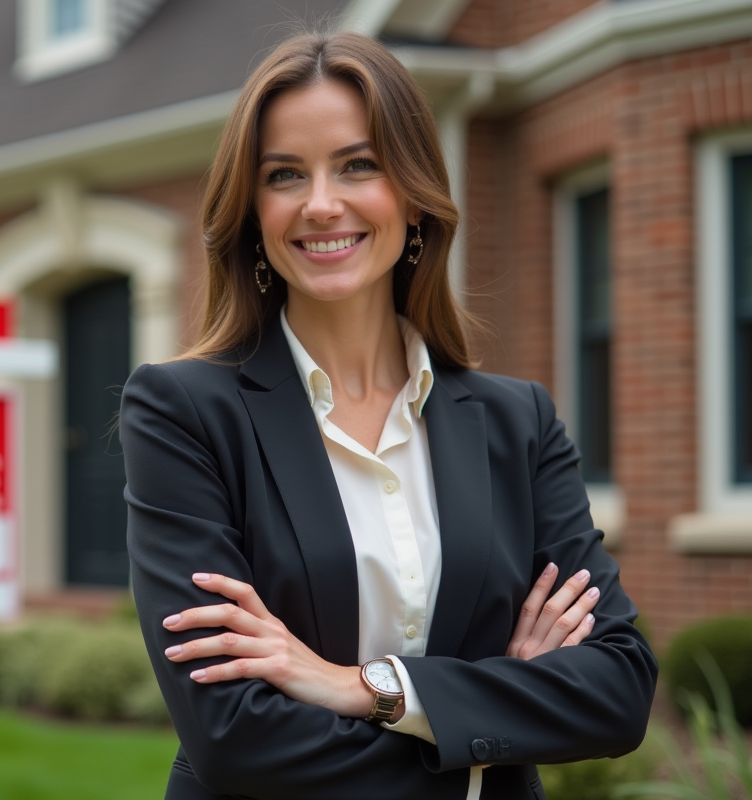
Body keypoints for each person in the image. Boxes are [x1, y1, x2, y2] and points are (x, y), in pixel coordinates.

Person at [119, 30, 656, 800]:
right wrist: (488, 717)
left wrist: (364, 687)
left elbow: (618, 690)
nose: (322, 203)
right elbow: (234, 738)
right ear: (253, 212)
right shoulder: (184, 413)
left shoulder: (518, 422)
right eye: (284, 175)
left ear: (412, 193)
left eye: (357, 165)